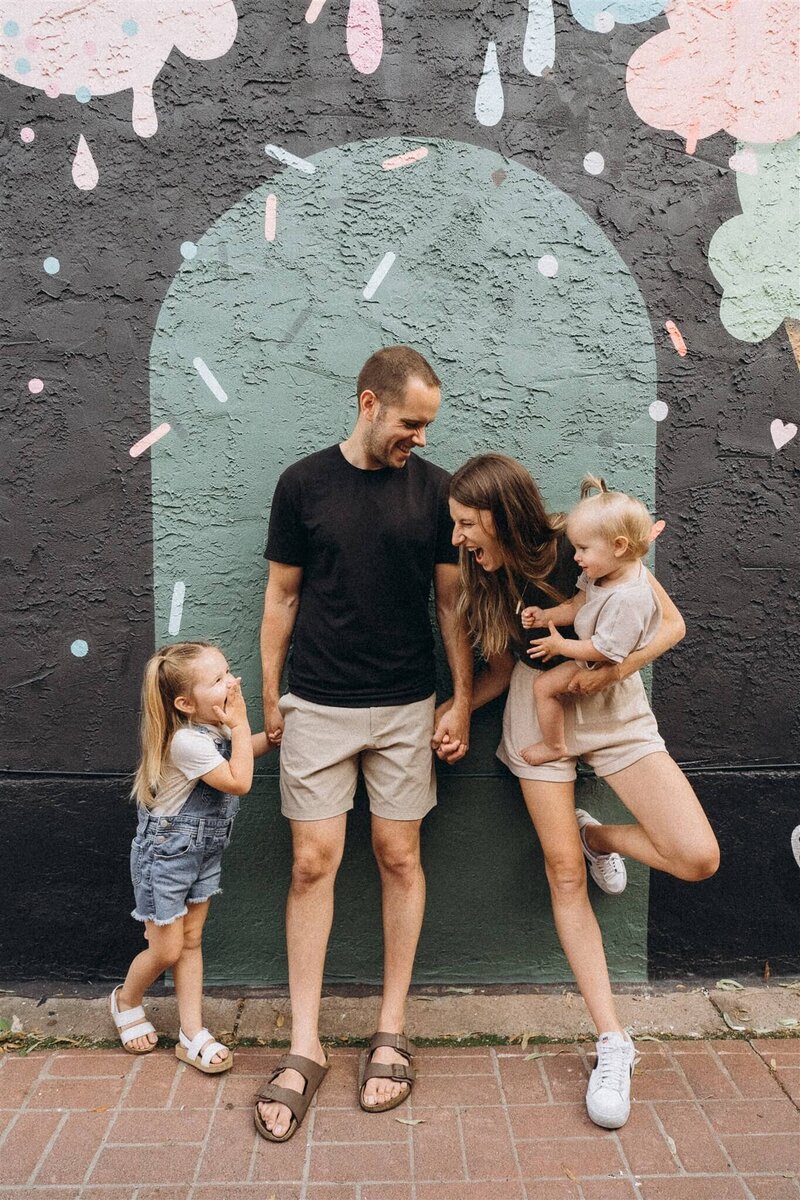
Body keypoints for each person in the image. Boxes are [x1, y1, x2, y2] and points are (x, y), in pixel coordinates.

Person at [442, 453, 719, 1130]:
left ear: (500, 516)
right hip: (535, 721)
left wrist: (609, 670)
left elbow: (672, 626)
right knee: (563, 875)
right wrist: (453, 710)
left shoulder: (584, 541)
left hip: (616, 718)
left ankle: (598, 833)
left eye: (464, 524)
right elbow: (508, 669)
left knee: (697, 857)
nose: (455, 538)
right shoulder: (486, 581)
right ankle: (613, 1042)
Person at [255, 346, 473, 1142]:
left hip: (407, 706)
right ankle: (304, 1044)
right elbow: (281, 596)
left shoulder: (438, 491)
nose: (418, 435)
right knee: (313, 862)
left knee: (398, 855)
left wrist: (455, 699)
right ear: (368, 403)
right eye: (410, 422)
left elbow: (452, 606)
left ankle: (390, 1030)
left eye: (427, 424)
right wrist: (273, 695)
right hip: (315, 702)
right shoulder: (302, 484)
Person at [111, 642, 270, 1073]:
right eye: (217, 680)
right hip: (166, 855)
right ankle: (126, 998)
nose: (232, 683)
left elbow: (240, 755)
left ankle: (190, 1033)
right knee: (165, 950)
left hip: (202, 852)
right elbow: (237, 781)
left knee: (192, 940)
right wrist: (242, 724)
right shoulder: (185, 742)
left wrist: (269, 737)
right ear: (184, 703)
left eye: (228, 672)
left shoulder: (213, 730)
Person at [520, 475, 662, 767]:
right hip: (593, 654)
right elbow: (576, 605)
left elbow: (603, 650)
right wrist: (545, 617)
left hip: (603, 661)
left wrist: (561, 646)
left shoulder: (627, 598)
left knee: (543, 687)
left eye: (583, 549)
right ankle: (562, 742)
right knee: (546, 686)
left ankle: (553, 745)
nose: (575, 557)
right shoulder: (602, 572)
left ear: (619, 546)